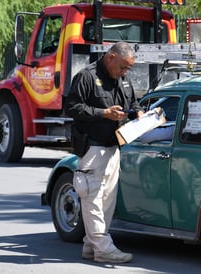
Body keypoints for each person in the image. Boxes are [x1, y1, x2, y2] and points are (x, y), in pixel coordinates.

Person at [64, 42, 144, 264]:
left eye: (128, 68)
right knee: (92, 197)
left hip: (113, 146)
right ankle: (103, 248)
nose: (125, 72)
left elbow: (133, 103)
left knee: (107, 199)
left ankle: (92, 246)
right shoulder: (87, 76)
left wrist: (138, 113)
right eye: (123, 67)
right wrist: (103, 113)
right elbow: (71, 107)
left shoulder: (123, 79)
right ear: (110, 57)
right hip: (92, 147)